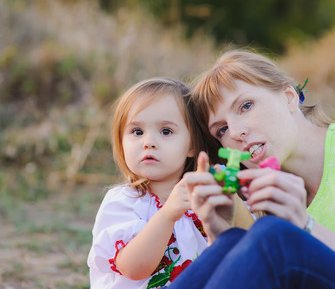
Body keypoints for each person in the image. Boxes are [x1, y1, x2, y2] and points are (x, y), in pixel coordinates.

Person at [169, 49, 335, 288]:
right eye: (221, 130)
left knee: (274, 235)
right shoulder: (268, 201)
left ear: (289, 97)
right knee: (230, 242)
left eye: (246, 106)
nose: (234, 132)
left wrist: (306, 227)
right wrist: (219, 237)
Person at [87, 77, 254, 288]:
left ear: (192, 145)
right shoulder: (124, 202)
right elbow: (133, 268)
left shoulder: (206, 194)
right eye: (137, 132)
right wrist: (168, 214)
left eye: (166, 131)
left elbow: (252, 248)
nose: (148, 143)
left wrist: (231, 200)